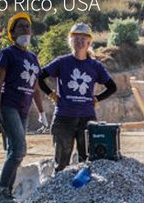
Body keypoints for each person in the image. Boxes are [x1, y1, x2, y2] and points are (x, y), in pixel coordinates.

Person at [39, 22, 117, 171]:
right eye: (76, 38)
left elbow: (112, 87)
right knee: (61, 164)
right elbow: (40, 77)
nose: (80, 41)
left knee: (87, 163)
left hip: (87, 119)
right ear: (71, 41)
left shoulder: (95, 66)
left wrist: (97, 98)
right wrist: (50, 94)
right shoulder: (62, 62)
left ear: (89, 42)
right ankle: (60, 193)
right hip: (64, 118)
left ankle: (85, 193)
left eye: (83, 38)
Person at [0, 12, 47, 203]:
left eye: (28, 26)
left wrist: (42, 112)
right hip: (8, 106)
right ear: (12, 32)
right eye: (21, 26)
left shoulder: (32, 57)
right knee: (19, 149)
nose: (25, 30)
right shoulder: (7, 54)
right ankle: (1, 190)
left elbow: (36, 88)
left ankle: (6, 194)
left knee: (14, 151)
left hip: (24, 109)